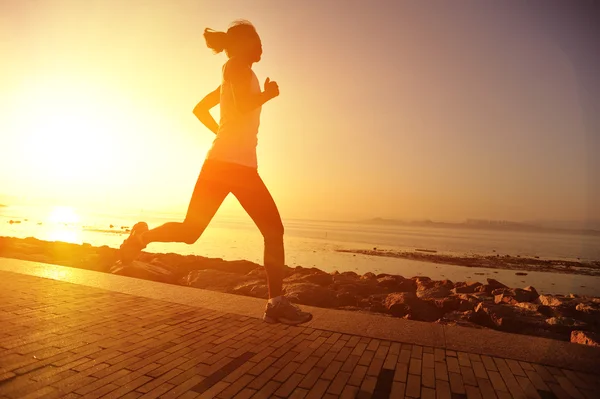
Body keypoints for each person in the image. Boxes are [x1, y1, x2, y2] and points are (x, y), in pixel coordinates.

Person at [119, 20, 312, 325]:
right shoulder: (234, 66)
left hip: (236, 165)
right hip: (227, 165)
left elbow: (200, 109)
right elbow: (243, 104)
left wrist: (222, 131)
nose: (262, 47)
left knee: (196, 232)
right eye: (258, 41)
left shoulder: (239, 74)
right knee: (243, 232)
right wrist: (268, 95)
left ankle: (140, 238)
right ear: (243, 45)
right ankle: (275, 303)